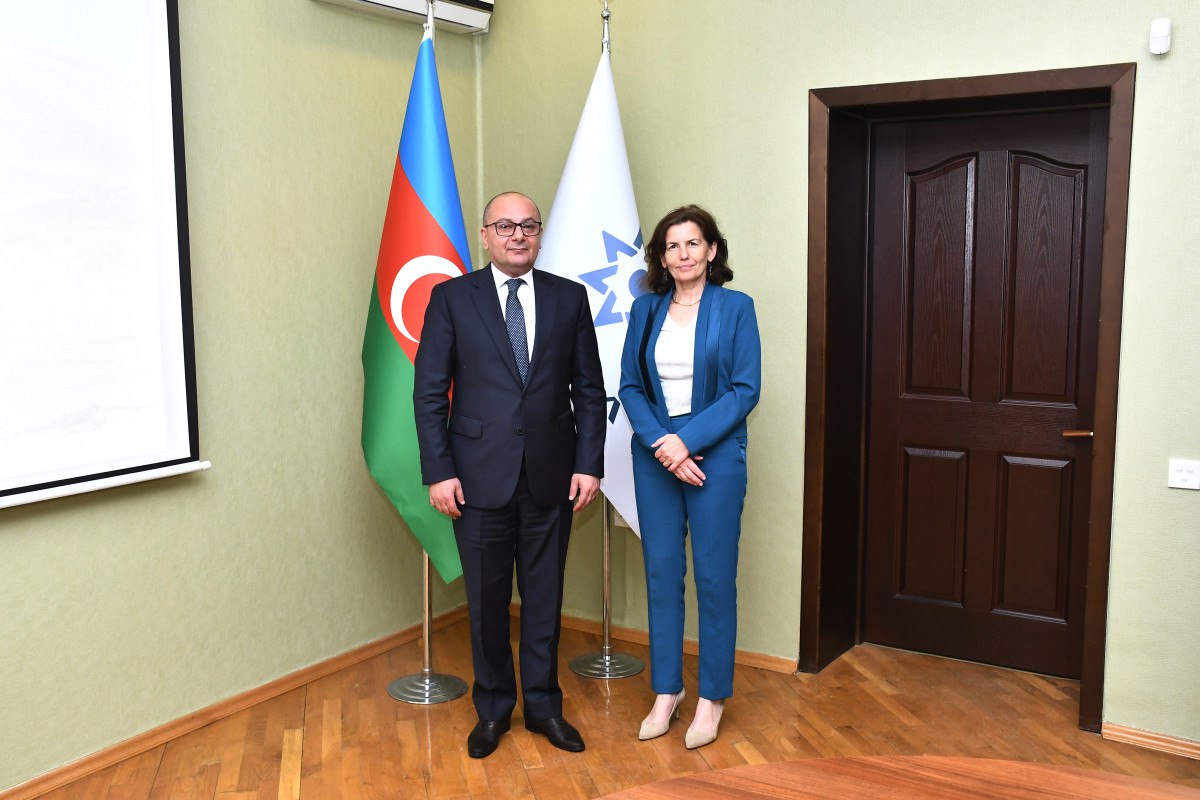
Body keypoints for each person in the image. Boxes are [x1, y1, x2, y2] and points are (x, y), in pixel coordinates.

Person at [413, 191, 606, 759]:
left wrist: (588, 463)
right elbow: (429, 394)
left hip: (552, 476)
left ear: (540, 235)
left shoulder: (569, 298)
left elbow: (589, 390)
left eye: (528, 225)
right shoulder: (451, 298)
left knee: (544, 601)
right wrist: (439, 472)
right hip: (475, 480)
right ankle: (494, 710)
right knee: (486, 604)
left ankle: (544, 708)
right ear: (485, 235)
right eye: (505, 226)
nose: (517, 234)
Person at [618, 205, 761, 749]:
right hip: (655, 454)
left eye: (693, 243)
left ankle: (712, 698)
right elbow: (630, 386)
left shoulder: (736, 308)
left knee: (714, 577)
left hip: (716, 456)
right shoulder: (645, 309)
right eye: (672, 246)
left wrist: (687, 441)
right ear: (661, 257)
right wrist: (664, 443)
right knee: (661, 572)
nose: (683, 254)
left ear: (712, 250)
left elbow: (745, 389)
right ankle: (667, 690)